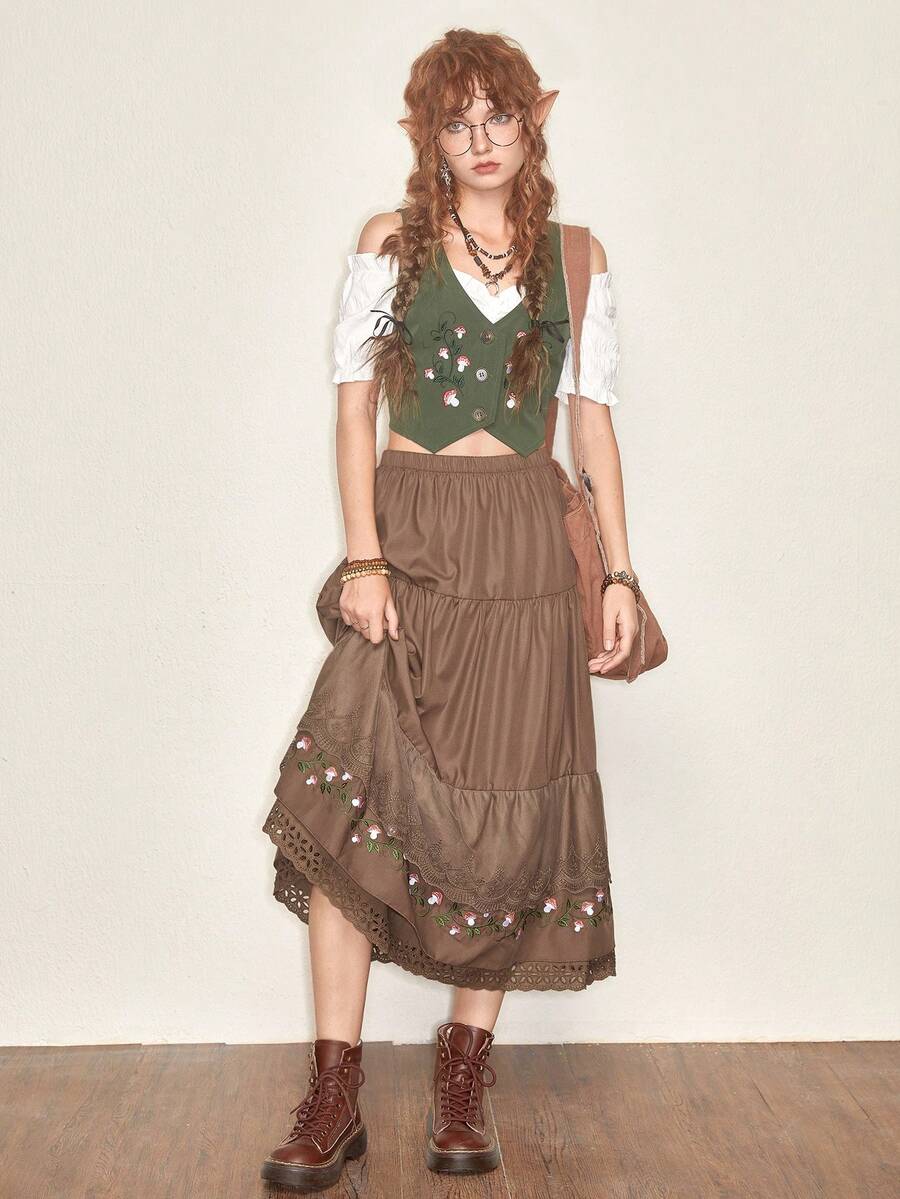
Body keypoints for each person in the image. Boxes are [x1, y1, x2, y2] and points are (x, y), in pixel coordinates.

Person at [260, 27, 639, 1192]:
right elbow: (352, 412)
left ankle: (464, 1074)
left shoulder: (576, 257)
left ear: (532, 124)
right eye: (457, 122)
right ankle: (333, 1091)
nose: (481, 140)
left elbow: (592, 426)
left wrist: (619, 575)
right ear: (428, 136)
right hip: (414, 535)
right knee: (346, 799)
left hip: (524, 548)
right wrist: (363, 558)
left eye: (499, 117)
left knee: (509, 816)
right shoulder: (392, 242)